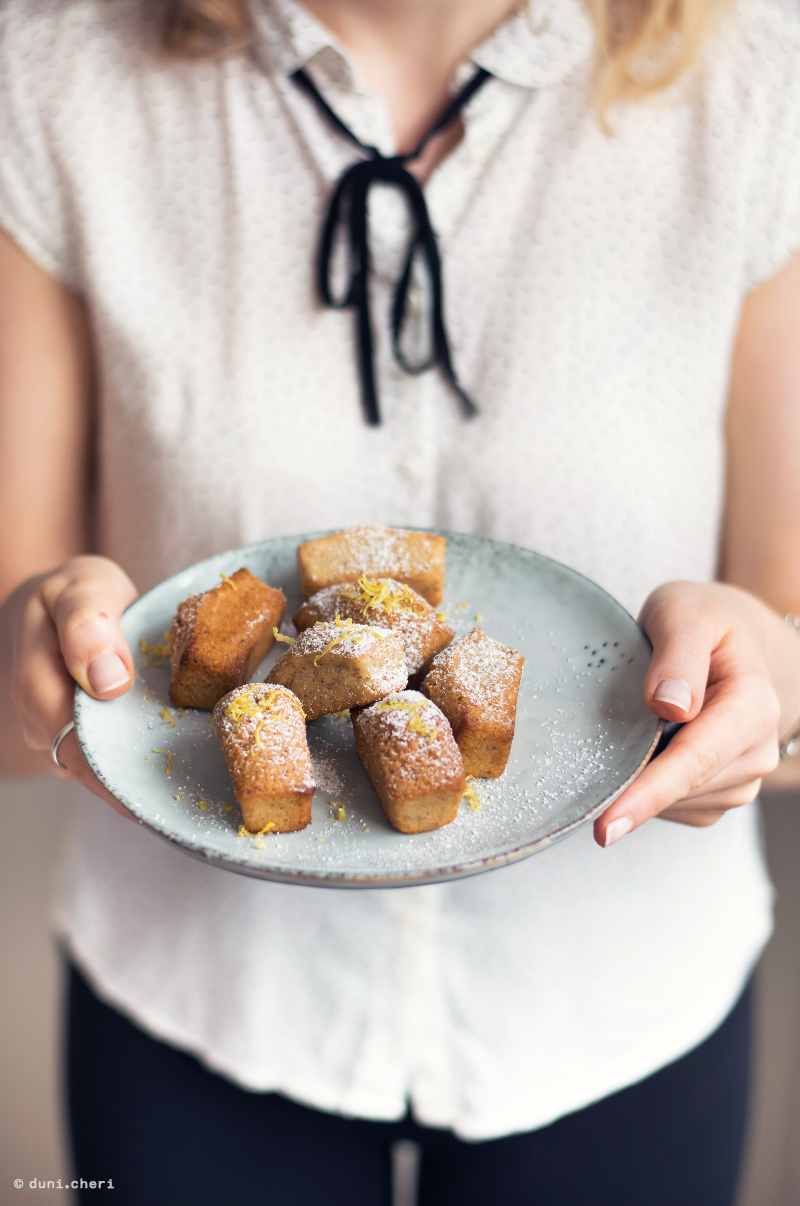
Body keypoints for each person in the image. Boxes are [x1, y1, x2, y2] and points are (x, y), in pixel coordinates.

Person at [2, 0, 800, 1201]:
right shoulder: (58, 76)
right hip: (199, 999)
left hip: (621, 1005)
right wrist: (39, 657)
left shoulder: (753, 76)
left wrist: (768, 685)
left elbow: (785, 627)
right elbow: (17, 673)